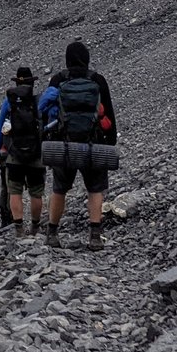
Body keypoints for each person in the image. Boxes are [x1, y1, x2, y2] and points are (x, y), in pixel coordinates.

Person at [39, 38, 115, 250]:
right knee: (95, 188)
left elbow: (47, 113)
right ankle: (95, 236)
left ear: (67, 59)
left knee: (59, 189)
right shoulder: (97, 80)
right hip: (93, 142)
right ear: (87, 59)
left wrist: (46, 140)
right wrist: (110, 142)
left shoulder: (58, 79)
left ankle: (52, 234)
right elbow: (108, 112)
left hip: (64, 143)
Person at [0, 65, 45, 238]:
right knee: (36, 192)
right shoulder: (38, 100)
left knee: (15, 191)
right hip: (35, 153)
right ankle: (35, 227)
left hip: (14, 154)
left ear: (17, 82)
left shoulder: (9, 102)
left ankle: (19, 228)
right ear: (32, 83)